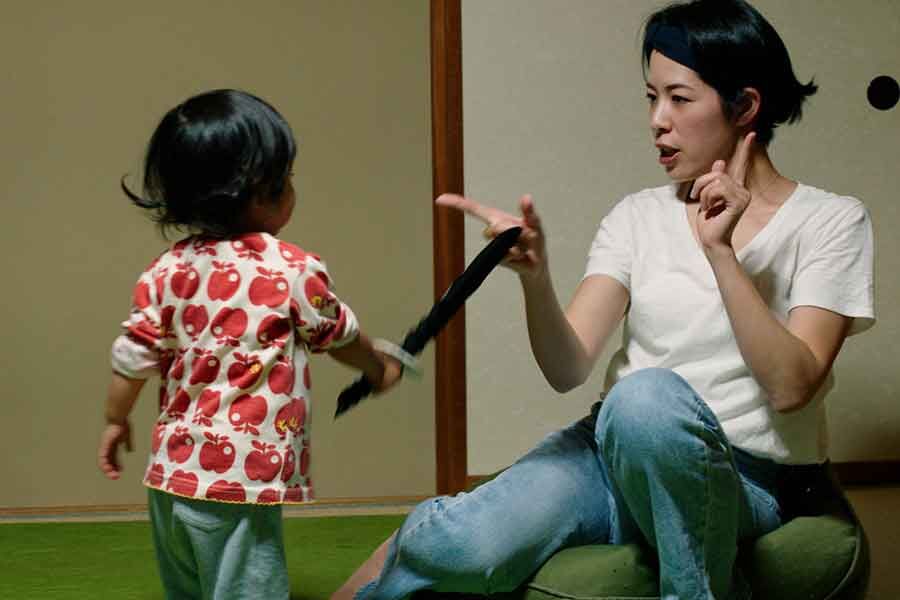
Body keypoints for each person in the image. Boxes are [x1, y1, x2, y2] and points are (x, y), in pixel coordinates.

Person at [334, 1, 875, 599]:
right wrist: (536, 279)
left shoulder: (829, 221)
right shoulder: (636, 216)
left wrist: (720, 252)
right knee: (455, 546)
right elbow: (567, 368)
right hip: (606, 457)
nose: (657, 121)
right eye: (652, 98)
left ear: (744, 106)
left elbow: (791, 387)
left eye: (679, 98)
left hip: (744, 479)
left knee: (645, 398)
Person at [97, 89, 403, 600]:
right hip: (238, 483)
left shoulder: (164, 272)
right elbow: (340, 337)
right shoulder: (292, 270)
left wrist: (115, 420)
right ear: (263, 191)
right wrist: (378, 368)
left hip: (170, 478)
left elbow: (131, 359)